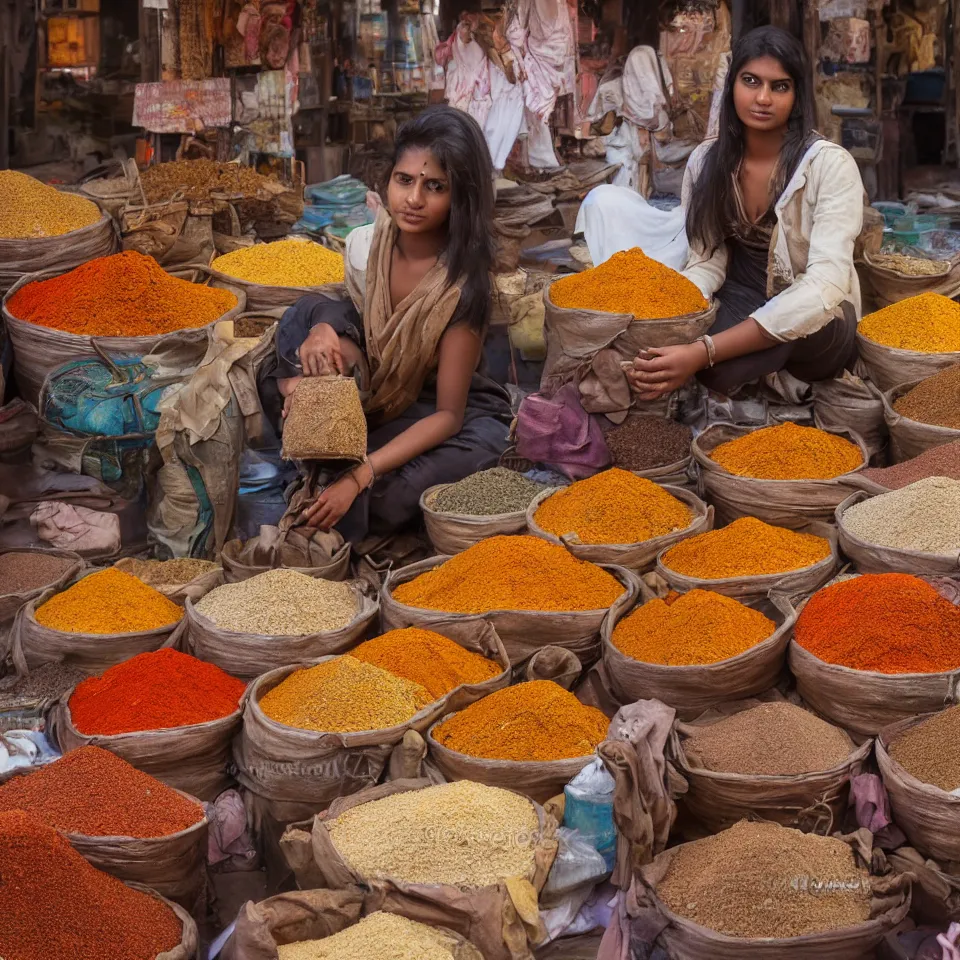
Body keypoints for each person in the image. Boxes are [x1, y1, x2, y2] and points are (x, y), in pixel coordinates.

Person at [268, 105, 511, 541]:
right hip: (379, 391)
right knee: (305, 315)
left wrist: (359, 477)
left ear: (461, 196)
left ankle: (333, 461)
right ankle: (303, 395)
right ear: (388, 180)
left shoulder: (462, 286)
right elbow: (355, 316)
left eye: (435, 186)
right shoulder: (373, 239)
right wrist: (325, 332)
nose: (414, 199)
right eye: (405, 181)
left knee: (386, 494)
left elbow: (447, 416)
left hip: (441, 413)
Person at [626, 26, 865, 400]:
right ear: (732, 85)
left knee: (723, 364)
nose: (763, 98)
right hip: (740, 295)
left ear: (797, 94)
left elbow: (825, 284)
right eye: (751, 81)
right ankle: (750, 368)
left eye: (779, 86)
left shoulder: (829, 165)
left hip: (816, 312)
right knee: (664, 342)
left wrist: (704, 351)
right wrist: (671, 312)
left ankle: (757, 370)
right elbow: (706, 258)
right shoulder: (706, 161)